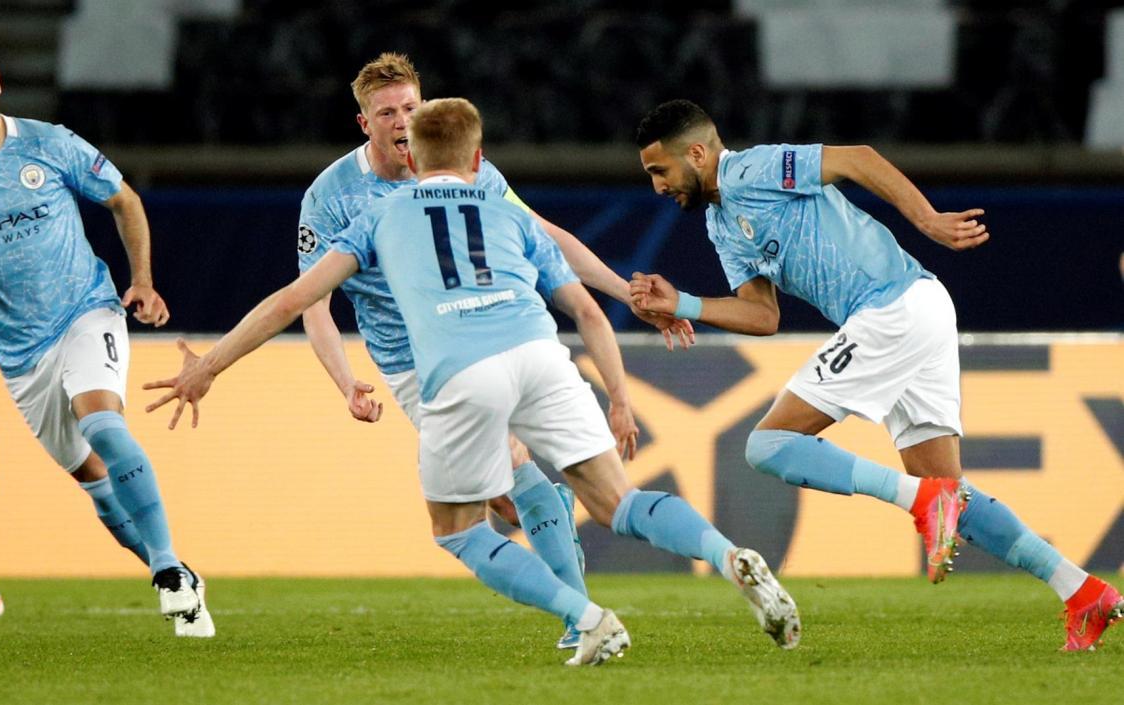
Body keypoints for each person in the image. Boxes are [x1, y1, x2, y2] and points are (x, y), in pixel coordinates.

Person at [145, 98, 801, 666]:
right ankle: (726, 553)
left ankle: (587, 615)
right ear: (478, 154)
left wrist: (208, 365)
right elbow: (585, 308)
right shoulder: (505, 207)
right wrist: (621, 390)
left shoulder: (379, 215)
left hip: (462, 371)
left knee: (459, 529)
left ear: (415, 155)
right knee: (618, 501)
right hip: (541, 354)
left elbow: (292, 301)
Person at [628, 99, 1122, 651]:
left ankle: (921, 500)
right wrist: (686, 304)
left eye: (660, 171)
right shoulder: (722, 225)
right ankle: (1083, 593)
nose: (657, 187)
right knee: (949, 492)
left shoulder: (752, 169)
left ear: (697, 153)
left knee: (768, 444)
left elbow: (858, 159)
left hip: (892, 307)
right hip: (919, 310)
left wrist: (929, 219)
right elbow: (763, 316)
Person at [297, 53, 693, 649]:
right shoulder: (332, 197)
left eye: (411, 107)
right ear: (365, 124)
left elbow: (545, 236)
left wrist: (623, 290)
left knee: (511, 473)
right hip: (413, 362)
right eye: (387, 113)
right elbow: (313, 302)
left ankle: (579, 619)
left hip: (489, 334)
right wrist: (345, 380)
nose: (402, 121)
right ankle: (570, 583)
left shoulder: (465, 167)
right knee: (506, 497)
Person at [0, 28, 212, 637]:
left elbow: (123, 201)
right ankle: (170, 570)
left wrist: (141, 281)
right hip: (19, 355)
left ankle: (172, 571)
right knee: (96, 485)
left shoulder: (50, 144)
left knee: (101, 420)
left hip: (85, 311)